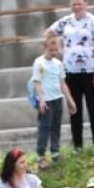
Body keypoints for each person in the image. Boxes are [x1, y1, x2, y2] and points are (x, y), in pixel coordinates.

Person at [47, 0, 94, 151]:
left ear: (86, 3)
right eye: (73, 4)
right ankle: (78, 144)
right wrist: (59, 49)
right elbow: (49, 33)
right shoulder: (66, 21)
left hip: (90, 69)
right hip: (71, 70)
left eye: (79, 3)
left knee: (93, 106)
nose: (76, 7)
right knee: (74, 107)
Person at [31, 33, 73, 165]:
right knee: (45, 127)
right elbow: (37, 82)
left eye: (56, 50)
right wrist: (41, 100)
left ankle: (55, 152)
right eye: (51, 50)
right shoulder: (39, 63)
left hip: (57, 98)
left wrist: (69, 100)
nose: (54, 52)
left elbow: (63, 83)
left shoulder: (58, 64)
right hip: (46, 99)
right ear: (45, 47)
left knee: (56, 126)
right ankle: (41, 155)